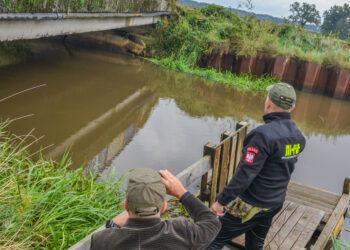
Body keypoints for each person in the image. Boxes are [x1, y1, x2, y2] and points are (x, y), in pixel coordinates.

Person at [207, 82, 306, 250]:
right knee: (256, 242)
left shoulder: (262, 135)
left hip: (252, 205)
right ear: (292, 107)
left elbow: (245, 175)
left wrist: (221, 201)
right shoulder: (298, 136)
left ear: (268, 103)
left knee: (212, 239)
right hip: (274, 203)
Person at [91, 168, 221, 250]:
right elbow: (212, 223)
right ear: (163, 207)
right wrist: (182, 193)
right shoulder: (182, 233)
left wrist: (112, 225)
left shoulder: (102, 240)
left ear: (126, 206)